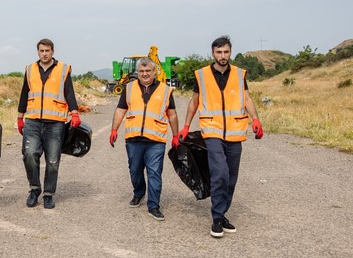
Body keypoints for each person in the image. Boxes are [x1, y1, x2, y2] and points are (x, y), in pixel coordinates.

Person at [180, 36, 264, 238]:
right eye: (219, 52)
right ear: (213, 53)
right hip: (212, 131)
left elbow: (246, 98)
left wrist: (255, 119)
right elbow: (194, 102)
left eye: (226, 52)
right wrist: (186, 126)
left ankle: (222, 212)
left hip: (235, 132)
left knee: (231, 179)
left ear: (230, 52)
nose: (223, 56)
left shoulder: (239, 74)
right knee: (220, 174)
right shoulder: (202, 75)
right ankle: (217, 218)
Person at [110, 57, 179, 221]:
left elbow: (172, 114)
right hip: (133, 139)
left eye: (148, 71)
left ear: (154, 72)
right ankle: (139, 192)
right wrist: (114, 129)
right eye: (141, 71)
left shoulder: (165, 90)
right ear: (137, 72)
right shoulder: (129, 88)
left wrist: (176, 135)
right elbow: (120, 110)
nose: (145, 74)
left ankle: (153, 205)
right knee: (135, 170)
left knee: (154, 172)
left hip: (156, 140)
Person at [17, 38, 81, 209]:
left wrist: (74, 113)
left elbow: (69, 92)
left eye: (47, 51)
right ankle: (34, 189)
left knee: (52, 161)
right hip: (33, 121)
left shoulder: (63, 69)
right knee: (29, 154)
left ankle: (48, 194)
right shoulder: (30, 69)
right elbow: (24, 93)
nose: (44, 54)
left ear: (53, 51)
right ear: (38, 52)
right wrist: (20, 117)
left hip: (55, 123)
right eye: (41, 51)